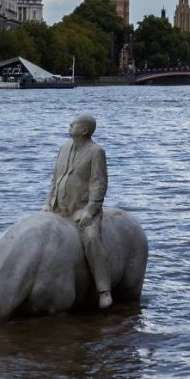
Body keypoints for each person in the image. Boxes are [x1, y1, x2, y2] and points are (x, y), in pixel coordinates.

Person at [45, 115, 112, 308]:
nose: (69, 125)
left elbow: (99, 183)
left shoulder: (96, 151)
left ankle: (104, 290)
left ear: (83, 130)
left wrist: (90, 211)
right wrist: (49, 203)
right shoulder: (64, 148)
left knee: (91, 237)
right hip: (58, 209)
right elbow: (55, 179)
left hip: (82, 210)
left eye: (74, 124)